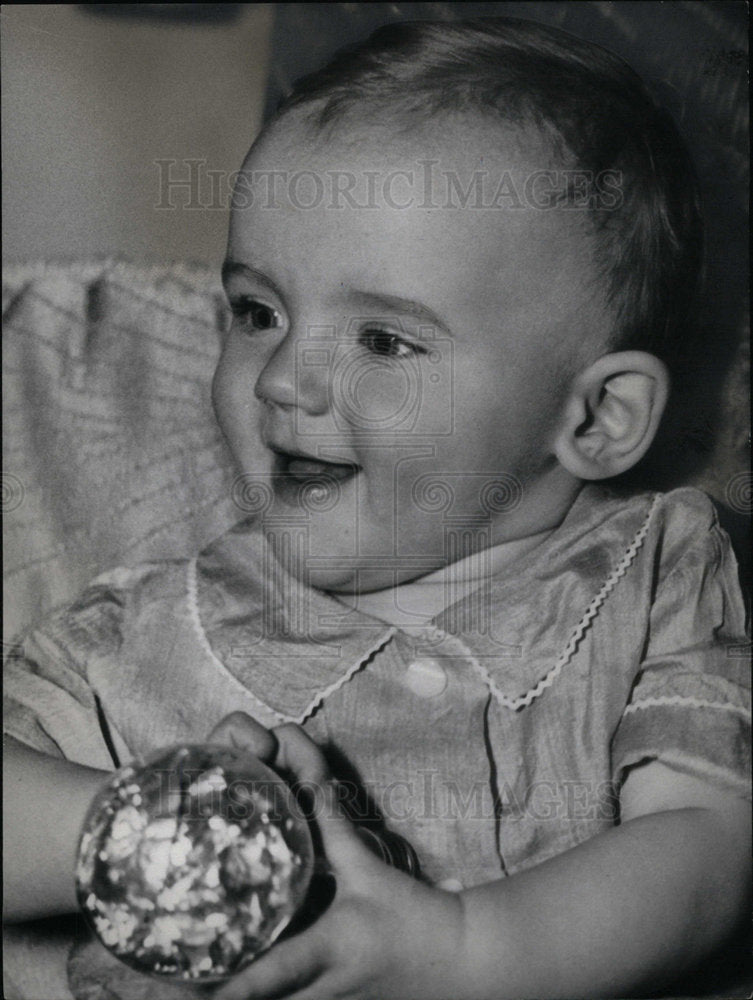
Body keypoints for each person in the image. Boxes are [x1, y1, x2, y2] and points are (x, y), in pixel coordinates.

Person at [4, 17, 750, 1000]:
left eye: (385, 342)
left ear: (600, 416)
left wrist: (460, 951)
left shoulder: (659, 578)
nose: (282, 380)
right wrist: (132, 829)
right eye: (258, 312)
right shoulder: (135, 635)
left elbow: (710, 849)